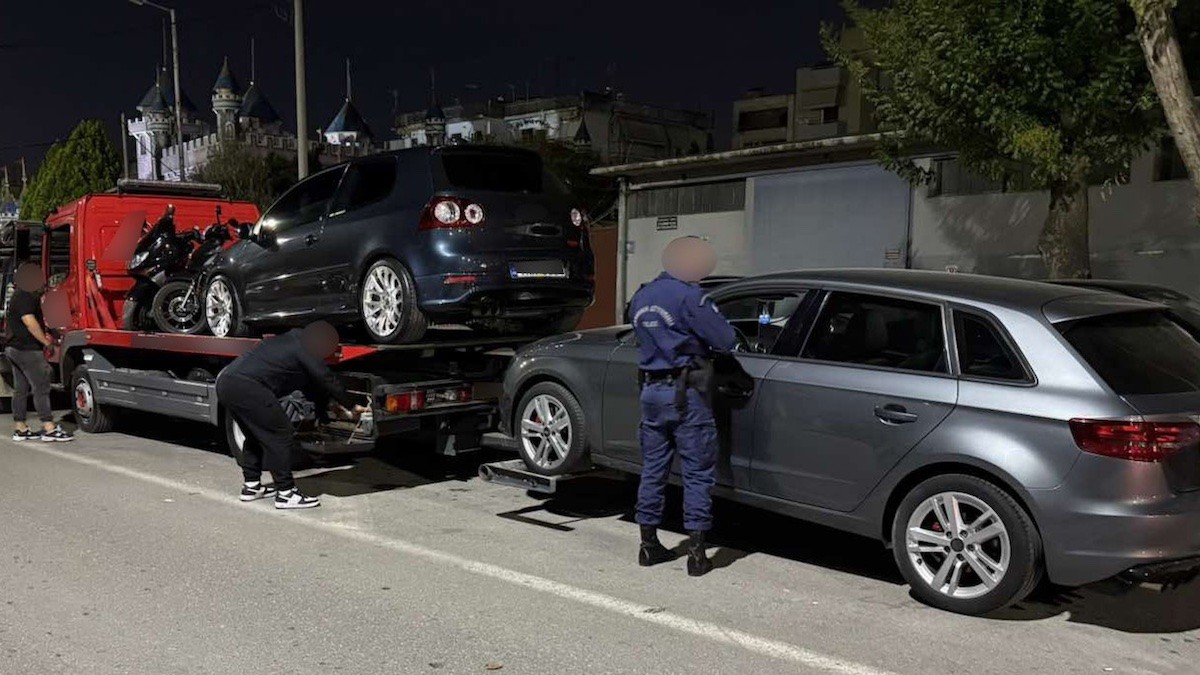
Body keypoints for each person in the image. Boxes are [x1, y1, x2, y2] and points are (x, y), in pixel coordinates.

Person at [628, 236, 736, 576]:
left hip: (651, 392)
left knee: (653, 470)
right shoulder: (690, 296)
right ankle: (697, 555)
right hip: (686, 394)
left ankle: (648, 546)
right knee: (697, 473)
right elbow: (725, 339)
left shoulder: (642, 296)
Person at [216, 321, 368, 509]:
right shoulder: (306, 345)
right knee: (281, 434)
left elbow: (312, 386)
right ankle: (286, 493)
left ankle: (251, 487)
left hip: (226, 382)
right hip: (247, 387)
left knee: (254, 435)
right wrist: (351, 405)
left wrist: (331, 408)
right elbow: (325, 377)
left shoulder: (290, 341)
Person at [4, 263, 72, 442]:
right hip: (27, 349)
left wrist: (53, 332)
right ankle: (49, 428)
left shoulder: (19, 295)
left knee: (20, 389)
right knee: (41, 387)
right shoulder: (26, 296)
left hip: (13, 348)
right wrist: (46, 342)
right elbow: (29, 321)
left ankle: (21, 428)